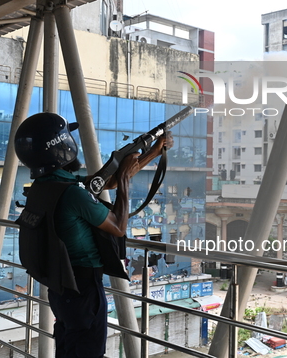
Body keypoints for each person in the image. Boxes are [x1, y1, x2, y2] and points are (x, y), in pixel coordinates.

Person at [14, 112, 172, 358]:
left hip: (62, 286)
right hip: (84, 290)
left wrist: (152, 151)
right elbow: (118, 226)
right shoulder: (72, 194)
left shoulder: (45, 187)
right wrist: (125, 183)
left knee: (69, 349)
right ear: (63, 145)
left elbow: (105, 184)